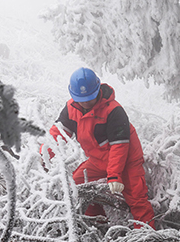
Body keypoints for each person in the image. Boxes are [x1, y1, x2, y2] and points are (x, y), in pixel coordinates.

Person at [46, 68, 155, 228]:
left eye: (89, 98)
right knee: (78, 187)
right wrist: (44, 156)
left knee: (137, 201)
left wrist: (114, 175)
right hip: (98, 161)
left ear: (97, 90)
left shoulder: (114, 111)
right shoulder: (71, 109)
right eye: (81, 99)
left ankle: (147, 237)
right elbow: (58, 134)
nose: (85, 102)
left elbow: (119, 147)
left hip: (127, 161)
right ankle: (97, 226)